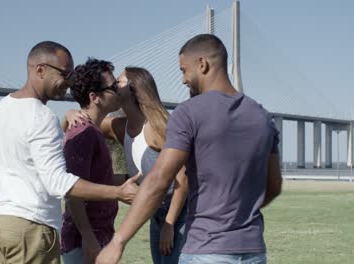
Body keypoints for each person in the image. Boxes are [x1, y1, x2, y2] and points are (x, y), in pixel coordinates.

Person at [96, 34, 282, 264]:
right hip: (254, 252)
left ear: (202, 64)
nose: (183, 80)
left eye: (184, 70)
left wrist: (118, 242)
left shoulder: (188, 113)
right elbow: (273, 186)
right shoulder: (262, 116)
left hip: (206, 251)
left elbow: (158, 181)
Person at [0, 41, 138, 264]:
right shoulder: (42, 116)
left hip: (2, 224)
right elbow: (57, 183)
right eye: (65, 73)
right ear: (40, 70)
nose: (70, 82)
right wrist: (118, 193)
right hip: (31, 227)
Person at [64, 66, 188, 264]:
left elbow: (183, 177)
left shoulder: (158, 127)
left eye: (118, 83)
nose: (113, 86)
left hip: (178, 213)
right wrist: (70, 113)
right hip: (155, 210)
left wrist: (169, 224)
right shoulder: (119, 127)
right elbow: (82, 124)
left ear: (134, 89)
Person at [60, 58, 123, 264]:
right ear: (94, 97)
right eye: (113, 87)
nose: (118, 90)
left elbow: (95, 179)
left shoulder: (91, 130)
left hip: (96, 236)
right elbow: (73, 191)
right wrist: (88, 237)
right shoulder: (84, 132)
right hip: (85, 243)